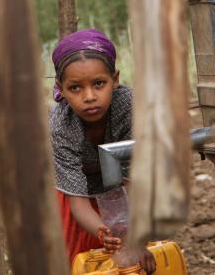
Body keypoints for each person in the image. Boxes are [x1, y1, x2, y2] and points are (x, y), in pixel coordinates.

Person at [50, 29, 155, 274]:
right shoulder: (61, 125)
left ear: (115, 79)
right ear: (61, 89)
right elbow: (77, 201)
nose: (89, 97)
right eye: (75, 88)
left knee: (133, 261)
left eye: (99, 84)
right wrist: (103, 231)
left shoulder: (129, 108)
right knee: (77, 259)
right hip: (77, 193)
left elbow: (133, 183)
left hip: (125, 190)